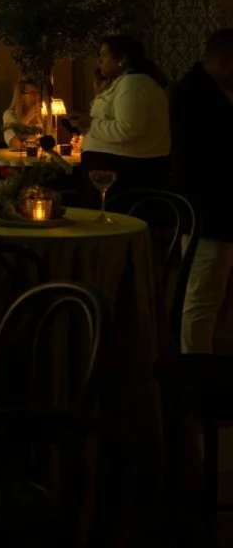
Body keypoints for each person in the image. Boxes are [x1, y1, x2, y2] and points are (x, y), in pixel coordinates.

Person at [175, 29, 233, 353]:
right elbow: (208, 160)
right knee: (202, 294)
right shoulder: (195, 96)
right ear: (223, 62)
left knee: (209, 292)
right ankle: (195, 366)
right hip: (208, 210)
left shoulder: (208, 91)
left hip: (215, 209)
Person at [81, 34, 172, 200]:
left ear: (121, 58)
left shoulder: (133, 84)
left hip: (123, 171)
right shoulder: (124, 83)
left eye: (104, 55)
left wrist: (90, 123)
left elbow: (128, 128)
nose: (99, 62)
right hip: (116, 167)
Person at [2, 78, 44, 148]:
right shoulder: (9, 115)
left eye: (38, 93)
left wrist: (41, 122)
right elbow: (15, 144)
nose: (38, 97)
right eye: (33, 93)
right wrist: (27, 119)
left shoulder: (41, 114)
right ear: (22, 97)